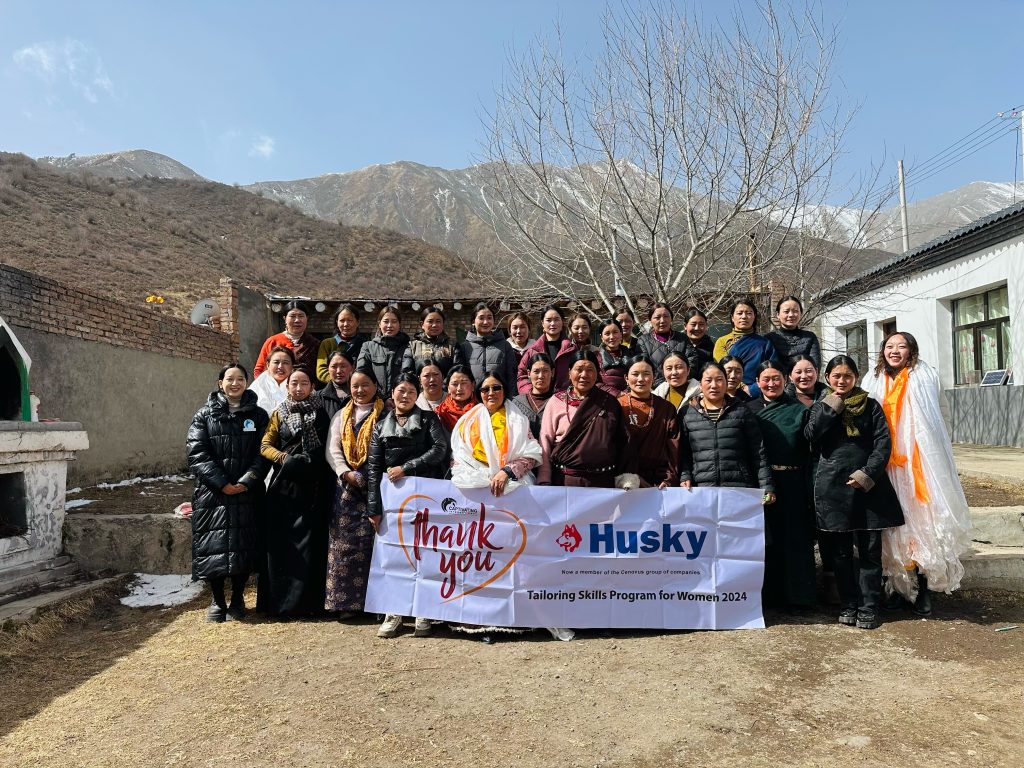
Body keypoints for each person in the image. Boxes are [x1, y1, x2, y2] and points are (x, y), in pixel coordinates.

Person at [450, 371, 572, 643]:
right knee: (483, 560)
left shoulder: (518, 419)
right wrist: (478, 479)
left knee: (518, 559)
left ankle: (521, 622)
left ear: (504, 391)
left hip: (514, 493)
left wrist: (506, 472)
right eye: (485, 389)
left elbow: (532, 453)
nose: (490, 393)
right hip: (479, 497)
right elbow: (458, 460)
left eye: (496, 388)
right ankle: (484, 624)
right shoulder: (466, 422)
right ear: (478, 393)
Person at [862, 331, 972, 616]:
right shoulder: (872, 379)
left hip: (917, 464)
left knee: (921, 523)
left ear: (912, 350)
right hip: (885, 463)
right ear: (882, 350)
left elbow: (938, 417)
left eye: (901, 346)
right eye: (889, 346)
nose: (894, 350)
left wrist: (939, 455)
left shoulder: (925, 376)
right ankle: (898, 588)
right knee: (892, 528)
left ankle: (923, 589)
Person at [804, 355, 905, 630]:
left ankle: (869, 607)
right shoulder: (820, 407)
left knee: (870, 551)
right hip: (833, 486)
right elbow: (812, 436)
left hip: (868, 486)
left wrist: (866, 473)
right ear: (827, 378)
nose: (842, 380)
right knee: (840, 553)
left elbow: (883, 443)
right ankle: (848, 604)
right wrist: (832, 406)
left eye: (847, 376)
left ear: (855, 378)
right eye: (836, 376)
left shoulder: (871, 406)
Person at [368, 373, 450, 639]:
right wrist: (374, 508)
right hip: (392, 501)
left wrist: (407, 467)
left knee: (425, 553)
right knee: (395, 556)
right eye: (401, 391)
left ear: (418, 395)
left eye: (411, 392)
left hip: (425, 496)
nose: (405, 396)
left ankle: (423, 611)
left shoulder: (428, 420)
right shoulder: (380, 426)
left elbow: (440, 449)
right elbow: (373, 468)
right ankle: (395, 613)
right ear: (392, 393)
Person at [186, 364, 269, 622]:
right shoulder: (204, 416)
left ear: (247, 382)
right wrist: (222, 483)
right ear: (220, 382)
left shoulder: (258, 416)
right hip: (213, 494)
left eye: (241, 379)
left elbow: (265, 451)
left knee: (243, 546)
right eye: (229, 379)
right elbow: (197, 452)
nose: (235, 384)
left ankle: (238, 599)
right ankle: (217, 600)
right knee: (213, 545)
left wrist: (246, 481)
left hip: (247, 492)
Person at [259, 368, 332, 617]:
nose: (299, 388)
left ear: (312, 386)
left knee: (310, 546)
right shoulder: (279, 413)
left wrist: (312, 462)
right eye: (294, 384)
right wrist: (284, 458)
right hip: (284, 487)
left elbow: (331, 447)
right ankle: (282, 604)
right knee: (283, 546)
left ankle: (309, 605)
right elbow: (265, 445)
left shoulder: (323, 413)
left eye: (304, 383)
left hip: (314, 488)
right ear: (287, 386)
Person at [746, 360, 816, 612]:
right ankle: (768, 597)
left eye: (776, 378)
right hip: (762, 481)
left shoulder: (800, 409)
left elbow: (810, 448)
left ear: (785, 380)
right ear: (757, 382)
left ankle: (799, 597)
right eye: (766, 379)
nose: (771, 383)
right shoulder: (748, 409)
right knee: (766, 541)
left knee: (795, 539)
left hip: (794, 481)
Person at [324, 368, 386, 619]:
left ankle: (377, 605)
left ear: (375, 385)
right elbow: (332, 448)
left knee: (377, 545)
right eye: (355, 386)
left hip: (378, 486)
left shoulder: (386, 413)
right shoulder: (342, 414)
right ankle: (346, 605)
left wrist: (372, 475)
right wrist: (344, 472)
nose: (360, 390)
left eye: (365, 385)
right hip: (347, 488)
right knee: (344, 546)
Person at [678, 361, 774, 500]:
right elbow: (683, 451)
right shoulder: (687, 413)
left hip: (739, 488)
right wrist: (685, 475)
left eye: (719, 380)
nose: (714, 385)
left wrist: (767, 486)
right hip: (700, 489)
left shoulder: (741, 410)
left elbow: (758, 451)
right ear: (700, 384)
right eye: (708, 380)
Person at [537, 350, 626, 488]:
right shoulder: (556, 401)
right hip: (564, 480)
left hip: (602, 482)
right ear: (569, 372)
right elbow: (545, 441)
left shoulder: (609, 402)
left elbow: (622, 442)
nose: (584, 375)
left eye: (590, 370)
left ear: (597, 373)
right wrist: (544, 479)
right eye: (579, 369)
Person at [618, 356, 679, 488]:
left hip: (658, 480)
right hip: (623, 479)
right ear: (626, 378)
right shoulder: (617, 406)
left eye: (646, 374)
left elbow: (673, 447)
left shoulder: (666, 408)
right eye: (635, 374)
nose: (641, 379)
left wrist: (669, 478)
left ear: (654, 377)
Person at [713, 298, 778, 386]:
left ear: (754, 317)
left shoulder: (764, 344)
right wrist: (740, 387)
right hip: (727, 389)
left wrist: (753, 389)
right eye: (739, 313)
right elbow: (722, 369)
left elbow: (772, 371)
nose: (744, 317)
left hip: (755, 392)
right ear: (732, 317)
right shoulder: (722, 342)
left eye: (749, 313)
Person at [456, 302, 518, 388]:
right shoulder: (465, 347)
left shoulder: (505, 345)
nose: (485, 322)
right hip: (473, 399)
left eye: (489, 318)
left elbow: (512, 375)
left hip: (499, 398)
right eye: (481, 318)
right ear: (473, 321)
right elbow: (460, 376)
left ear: (494, 321)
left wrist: (511, 399)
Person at [517, 304, 576, 393]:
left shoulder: (571, 350)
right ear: (542, 323)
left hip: (565, 400)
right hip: (539, 402)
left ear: (562, 321)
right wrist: (531, 392)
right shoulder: (533, 350)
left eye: (556, 319)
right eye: (548, 320)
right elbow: (522, 375)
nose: (553, 323)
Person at [254, 301, 319, 378]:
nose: (297, 320)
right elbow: (259, 370)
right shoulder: (272, 341)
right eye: (292, 316)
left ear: (307, 318)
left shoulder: (314, 344)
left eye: (301, 316)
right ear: (285, 319)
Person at [638, 303, 698, 386]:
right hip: (656, 389)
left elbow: (692, 361)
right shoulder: (643, 341)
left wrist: (679, 380)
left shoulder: (682, 338)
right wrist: (662, 385)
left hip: (682, 385)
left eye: (666, 316)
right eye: (657, 317)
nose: (662, 320)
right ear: (650, 321)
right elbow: (643, 366)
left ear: (671, 319)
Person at [357, 306, 410, 395]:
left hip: (400, 399)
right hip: (374, 399)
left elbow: (409, 375)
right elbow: (362, 373)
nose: (389, 325)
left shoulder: (408, 347)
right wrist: (381, 398)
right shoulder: (368, 347)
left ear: (399, 324)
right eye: (386, 321)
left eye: (394, 321)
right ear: (379, 324)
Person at [316, 304, 370, 385]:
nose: (346, 324)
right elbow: (321, 371)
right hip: (332, 390)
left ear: (358, 322)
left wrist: (354, 384)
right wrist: (338, 381)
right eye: (342, 320)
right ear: (337, 322)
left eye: (350, 320)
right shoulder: (327, 344)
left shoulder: (366, 345)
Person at [766, 295, 822, 372]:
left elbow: (815, 367)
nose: (791, 315)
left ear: (801, 313)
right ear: (777, 315)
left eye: (795, 311)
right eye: (786, 311)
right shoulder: (769, 339)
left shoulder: (810, 337)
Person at [510, 352, 556, 439]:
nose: (541, 376)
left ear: (552, 373)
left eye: (545, 371)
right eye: (536, 371)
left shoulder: (559, 402)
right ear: (528, 373)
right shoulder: (516, 403)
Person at [402, 307, 456, 375]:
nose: (434, 325)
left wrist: (443, 383)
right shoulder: (412, 346)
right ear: (422, 325)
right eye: (430, 321)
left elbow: (457, 371)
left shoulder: (453, 345)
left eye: (438, 321)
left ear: (443, 324)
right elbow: (407, 371)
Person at [249, 345, 294, 415]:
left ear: (292, 366)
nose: (280, 367)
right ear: (268, 365)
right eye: (276, 362)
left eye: (285, 363)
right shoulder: (258, 386)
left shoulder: (298, 384)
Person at [434, 364, 477, 433]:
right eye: (455, 384)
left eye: (464, 383)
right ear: (448, 387)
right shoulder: (440, 413)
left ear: (473, 385)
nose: (459, 388)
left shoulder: (482, 411)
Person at [596, 319, 628, 394]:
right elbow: (595, 383)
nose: (612, 337)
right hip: (605, 399)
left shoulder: (632, 355)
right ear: (601, 337)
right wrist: (617, 394)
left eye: (615, 332)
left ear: (621, 334)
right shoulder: (596, 357)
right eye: (607, 333)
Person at [321, 350, 354, 420]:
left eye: (343, 366)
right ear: (328, 369)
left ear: (352, 367)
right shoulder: (319, 397)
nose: (339, 371)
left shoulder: (361, 395)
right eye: (334, 367)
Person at [683, 308, 716, 374]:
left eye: (701, 324)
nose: (697, 328)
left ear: (706, 326)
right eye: (693, 324)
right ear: (685, 326)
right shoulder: (678, 345)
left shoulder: (712, 347)